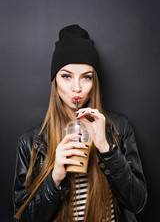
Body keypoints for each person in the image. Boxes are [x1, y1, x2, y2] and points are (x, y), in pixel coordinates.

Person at [13, 24, 147, 222]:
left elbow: (138, 202)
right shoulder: (31, 142)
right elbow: (23, 219)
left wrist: (106, 149)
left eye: (86, 77)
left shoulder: (119, 128)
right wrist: (55, 177)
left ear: (95, 82)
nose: (77, 88)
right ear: (55, 81)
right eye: (66, 76)